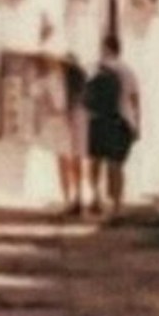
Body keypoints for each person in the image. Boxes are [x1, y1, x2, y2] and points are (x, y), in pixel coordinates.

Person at [81, 37, 139, 214]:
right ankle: (117, 205)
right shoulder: (127, 70)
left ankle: (95, 198)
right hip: (120, 120)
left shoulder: (94, 68)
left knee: (95, 160)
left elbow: (85, 95)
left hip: (97, 119)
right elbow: (135, 99)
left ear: (105, 48)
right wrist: (137, 124)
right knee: (116, 165)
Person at [58, 54, 90, 217]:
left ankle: (69, 199)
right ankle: (79, 197)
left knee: (64, 158)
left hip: (66, 116)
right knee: (77, 158)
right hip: (80, 115)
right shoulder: (83, 75)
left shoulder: (62, 77)